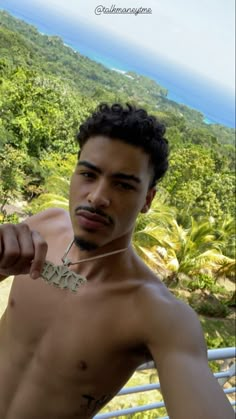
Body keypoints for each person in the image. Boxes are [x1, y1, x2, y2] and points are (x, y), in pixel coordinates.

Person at [0, 103, 234, 419]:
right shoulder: (41, 227)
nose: (97, 197)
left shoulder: (158, 314)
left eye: (123, 184)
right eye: (88, 174)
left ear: (147, 200)